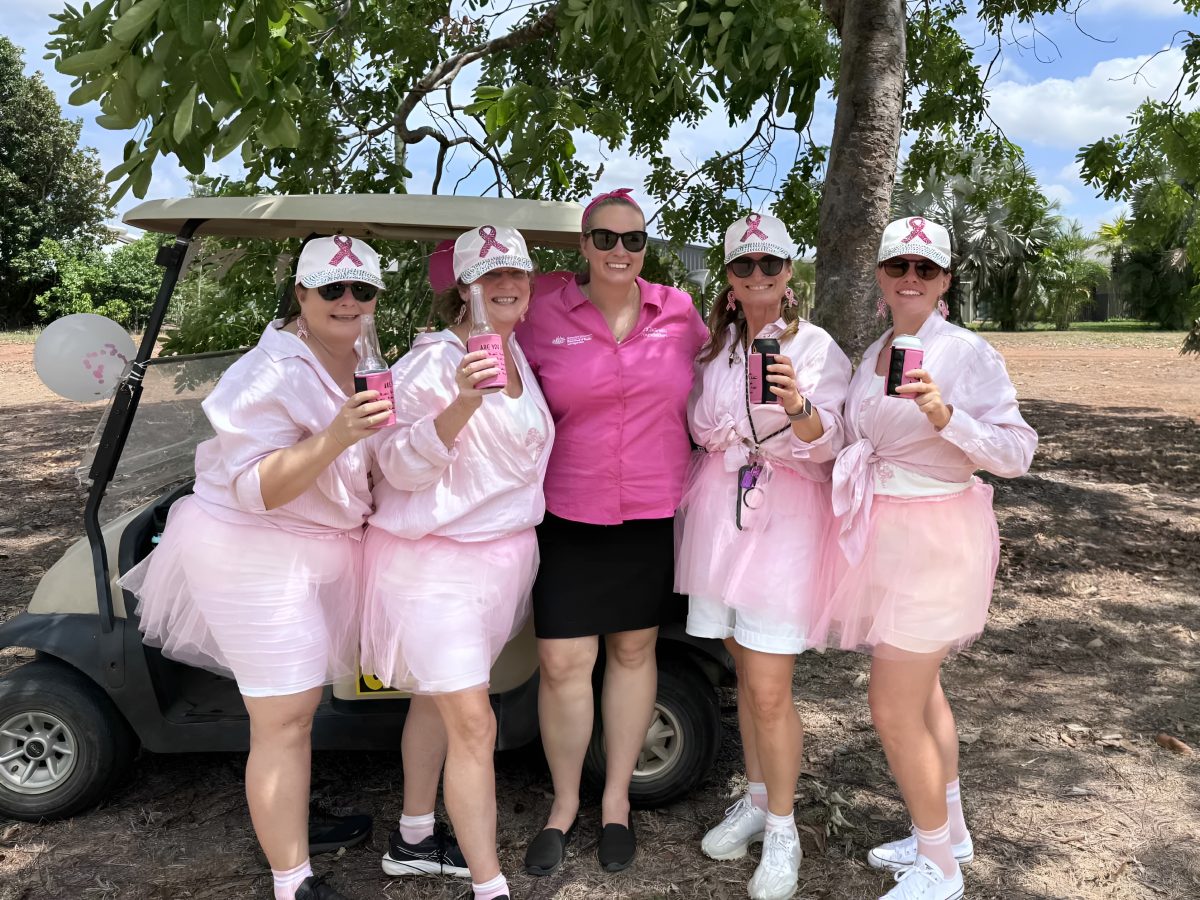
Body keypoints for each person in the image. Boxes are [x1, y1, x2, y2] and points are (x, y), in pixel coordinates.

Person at [120, 236, 439, 900]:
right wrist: (338, 437)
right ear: (301, 293)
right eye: (331, 290)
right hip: (253, 551)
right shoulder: (266, 373)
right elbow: (259, 487)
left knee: (298, 708)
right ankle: (291, 882)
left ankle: (292, 824)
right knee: (285, 718)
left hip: (318, 546)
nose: (349, 302)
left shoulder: (363, 355)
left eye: (363, 290)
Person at [815, 217, 1037, 900]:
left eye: (926, 269)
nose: (911, 279)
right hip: (883, 536)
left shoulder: (965, 354)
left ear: (945, 280)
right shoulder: (876, 350)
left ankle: (940, 868)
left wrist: (948, 418)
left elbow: (1017, 454)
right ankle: (950, 831)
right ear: (881, 275)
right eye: (898, 266)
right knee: (924, 691)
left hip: (935, 542)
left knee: (892, 706)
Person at [516, 188, 708, 875]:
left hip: (652, 512)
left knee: (633, 653)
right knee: (564, 664)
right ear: (582, 246)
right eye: (605, 238)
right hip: (566, 512)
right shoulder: (542, 315)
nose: (619, 251)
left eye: (633, 240)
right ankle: (565, 805)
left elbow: (727, 375)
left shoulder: (681, 314)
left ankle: (617, 802)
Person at [360, 225, 554, 900]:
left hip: (499, 565)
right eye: (487, 276)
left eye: (517, 275)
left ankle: (414, 839)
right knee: (474, 722)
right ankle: (489, 884)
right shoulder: (431, 363)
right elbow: (394, 465)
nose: (505, 286)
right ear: (461, 289)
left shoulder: (518, 358)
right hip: (435, 567)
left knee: (438, 704)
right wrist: (463, 403)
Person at [677, 213, 851, 900]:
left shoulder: (815, 346)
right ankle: (755, 798)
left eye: (770, 265)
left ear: (788, 271)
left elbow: (830, 439)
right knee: (744, 672)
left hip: (785, 522)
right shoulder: (716, 348)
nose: (758, 277)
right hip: (722, 517)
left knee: (772, 688)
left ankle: (783, 830)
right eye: (744, 266)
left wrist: (798, 404)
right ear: (727, 278)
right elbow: (698, 422)